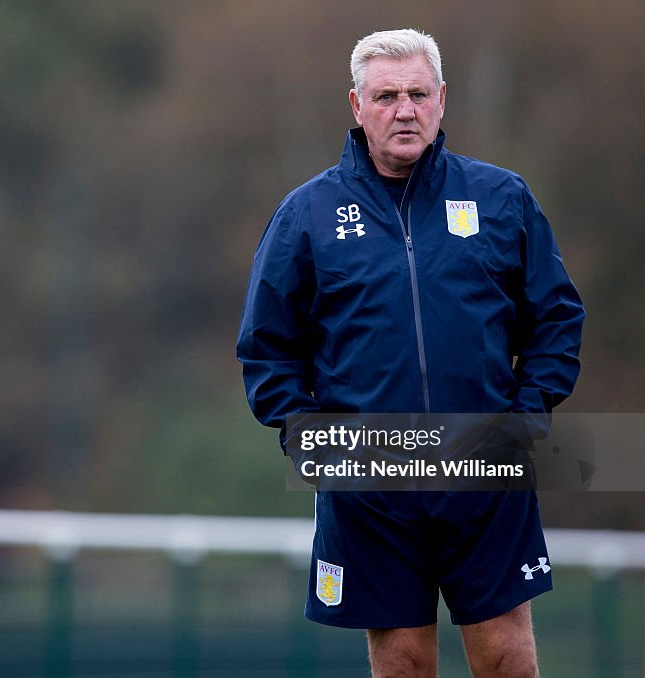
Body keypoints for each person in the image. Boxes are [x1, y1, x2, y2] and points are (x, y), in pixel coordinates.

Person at [236, 28, 585, 677]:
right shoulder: (306, 215)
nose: (405, 109)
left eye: (419, 93)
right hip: (372, 486)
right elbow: (266, 349)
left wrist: (524, 420)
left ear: (442, 99)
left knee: (508, 658)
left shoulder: (501, 199)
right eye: (388, 95)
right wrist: (316, 445)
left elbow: (557, 320)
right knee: (402, 664)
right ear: (357, 105)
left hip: (485, 474)